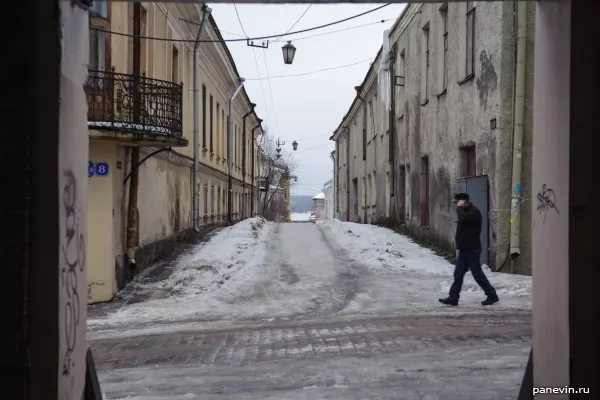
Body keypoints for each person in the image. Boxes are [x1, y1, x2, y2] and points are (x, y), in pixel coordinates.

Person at [439, 192, 499, 306]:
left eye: (458, 202)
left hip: (472, 249)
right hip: (464, 249)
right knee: (458, 273)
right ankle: (453, 297)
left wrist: (460, 208)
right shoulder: (466, 212)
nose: (456, 205)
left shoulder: (473, 212)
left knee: (477, 274)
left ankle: (492, 295)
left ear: (463, 202)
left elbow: (463, 219)